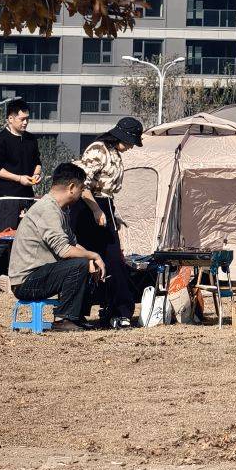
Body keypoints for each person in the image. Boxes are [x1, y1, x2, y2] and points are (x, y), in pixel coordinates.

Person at [6, 163, 104, 331]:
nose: (81, 194)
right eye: (81, 189)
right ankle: (64, 319)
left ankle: (76, 317)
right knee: (80, 264)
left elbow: (72, 244)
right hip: (25, 283)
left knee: (85, 262)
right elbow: (64, 250)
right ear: (71, 188)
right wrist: (94, 256)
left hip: (39, 275)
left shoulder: (59, 210)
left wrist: (92, 260)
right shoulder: (47, 209)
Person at [73, 115, 145, 327]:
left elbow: (108, 190)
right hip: (88, 206)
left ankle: (118, 310)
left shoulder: (115, 154)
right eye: (131, 142)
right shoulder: (98, 150)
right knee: (87, 259)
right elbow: (82, 184)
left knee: (114, 261)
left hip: (106, 205)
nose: (131, 147)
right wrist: (96, 210)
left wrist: (112, 214)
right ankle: (76, 311)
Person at [0, 99, 42, 198]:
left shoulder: (31, 139)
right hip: (6, 197)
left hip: (28, 195)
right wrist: (19, 178)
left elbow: (37, 162)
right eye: (22, 119)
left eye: (27, 119)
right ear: (11, 119)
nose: (25, 122)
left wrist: (36, 174)